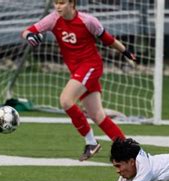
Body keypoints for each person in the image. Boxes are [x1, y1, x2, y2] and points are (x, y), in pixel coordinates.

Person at [22, 0, 136, 161]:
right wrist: (30, 36)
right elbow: (27, 31)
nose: (58, 6)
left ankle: (91, 142)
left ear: (72, 3)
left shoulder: (88, 21)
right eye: (56, 3)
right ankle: (130, 151)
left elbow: (108, 39)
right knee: (98, 115)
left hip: (91, 66)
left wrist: (126, 51)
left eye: (62, 2)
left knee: (66, 101)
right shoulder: (53, 19)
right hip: (78, 71)